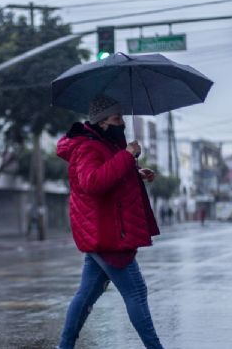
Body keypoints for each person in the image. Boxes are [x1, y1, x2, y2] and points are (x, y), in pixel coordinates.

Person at [56, 94, 163, 349]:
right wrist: (126, 156)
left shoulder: (102, 143)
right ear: (102, 122)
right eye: (117, 118)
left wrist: (135, 171)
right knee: (136, 292)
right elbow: (92, 182)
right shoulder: (87, 147)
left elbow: (107, 173)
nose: (122, 123)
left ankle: (64, 346)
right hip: (107, 234)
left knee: (85, 296)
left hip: (104, 232)